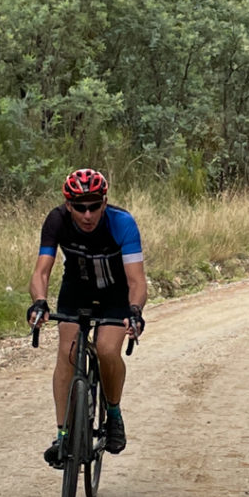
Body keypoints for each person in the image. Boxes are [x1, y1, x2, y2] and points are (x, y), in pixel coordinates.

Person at [27, 168, 148, 469]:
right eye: (80, 207)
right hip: (76, 289)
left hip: (115, 292)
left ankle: (115, 415)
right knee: (67, 355)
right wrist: (39, 302)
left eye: (94, 205)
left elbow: (136, 281)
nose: (88, 214)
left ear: (105, 202)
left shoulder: (122, 223)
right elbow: (41, 272)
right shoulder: (56, 221)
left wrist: (135, 311)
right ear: (68, 205)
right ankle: (62, 435)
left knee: (107, 350)